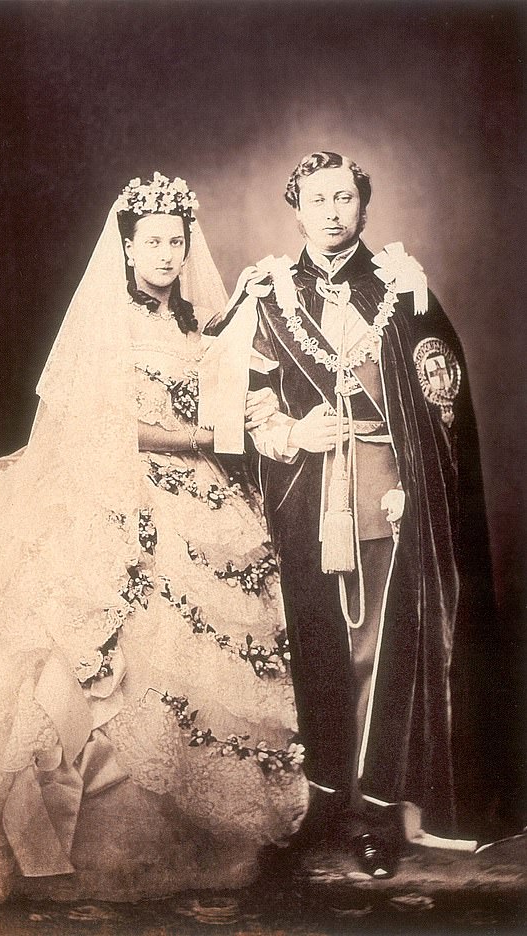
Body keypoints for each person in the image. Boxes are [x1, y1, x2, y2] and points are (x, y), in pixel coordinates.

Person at [0, 173, 309, 904]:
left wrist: (253, 419)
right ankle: (67, 840)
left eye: (175, 243)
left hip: (204, 493)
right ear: (127, 248)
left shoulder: (199, 327)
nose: (166, 254)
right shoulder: (108, 325)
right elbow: (102, 420)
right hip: (121, 485)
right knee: (92, 646)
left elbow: (238, 397)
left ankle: (199, 827)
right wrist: (197, 435)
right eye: (151, 242)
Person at [202, 151, 503, 879]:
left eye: (346, 198)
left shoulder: (402, 290)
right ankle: (315, 807)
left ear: (363, 207)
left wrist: (417, 483)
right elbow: (233, 391)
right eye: (318, 199)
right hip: (298, 497)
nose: (334, 211)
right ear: (296, 208)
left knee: (373, 655)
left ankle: (374, 818)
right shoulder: (268, 295)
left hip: (381, 497)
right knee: (305, 651)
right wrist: (286, 431)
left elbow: (439, 407)